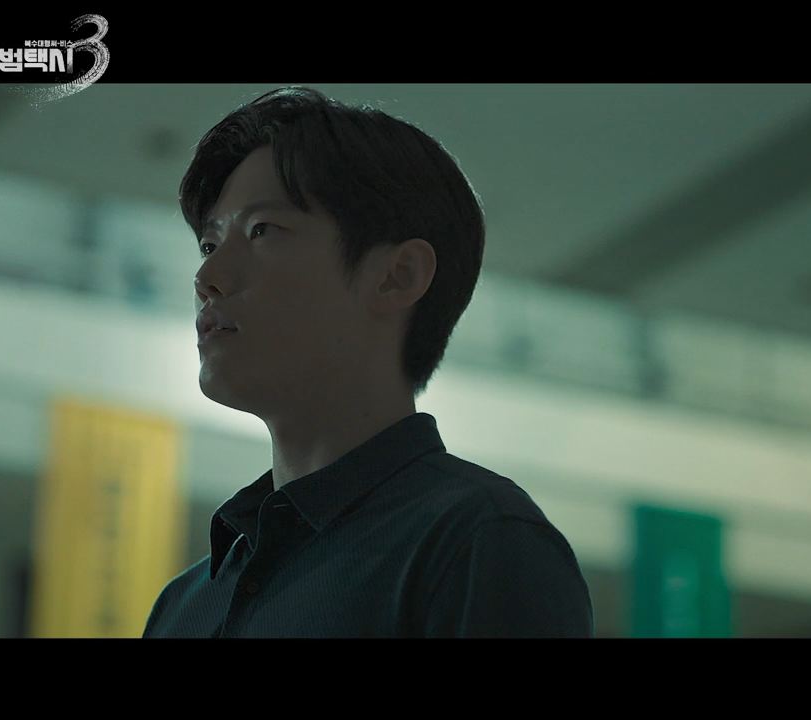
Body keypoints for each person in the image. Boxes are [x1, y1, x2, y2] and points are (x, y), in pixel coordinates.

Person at [142, 86, 594, 637]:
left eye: (263, 230)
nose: (207, 278)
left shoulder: (478, 541)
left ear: (397, 276)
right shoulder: (186, 605)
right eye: (210, 245)